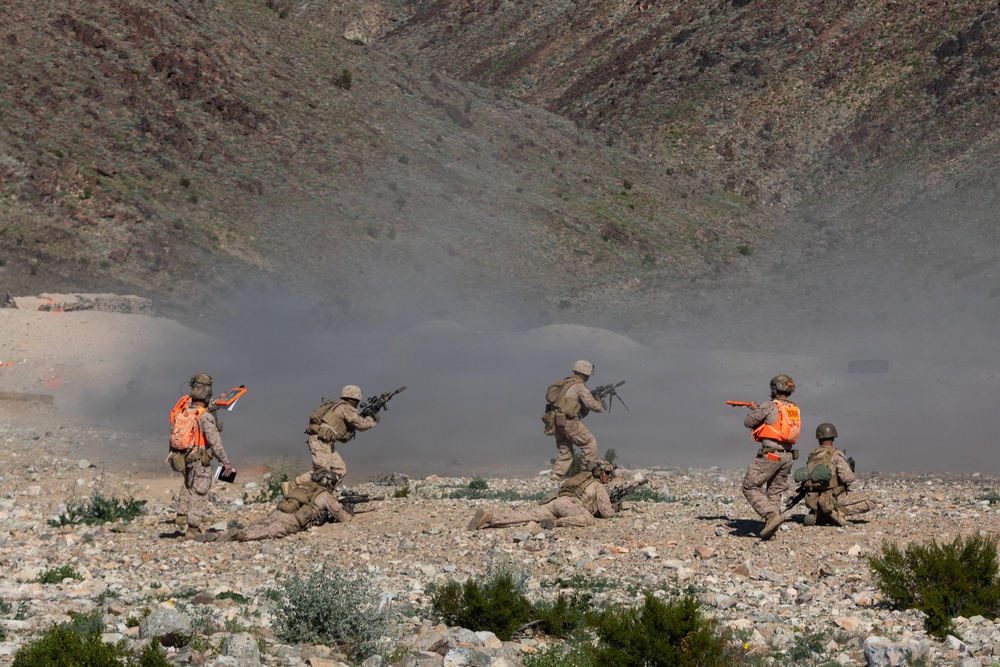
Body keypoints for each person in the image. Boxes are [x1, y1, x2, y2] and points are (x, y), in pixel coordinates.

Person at [168, 373, 234, 540]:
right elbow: (216, 443)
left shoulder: (184, 412)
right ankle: (192, 530)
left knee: (190, 488)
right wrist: (225, 463)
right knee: (200, 492)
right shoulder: (204, 417)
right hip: (199, 460)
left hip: (184, 458)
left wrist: (220, 400)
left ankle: (184, 518)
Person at [204, 470, 353, 542]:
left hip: (279, 512)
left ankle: (220, 536)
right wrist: (349, 512)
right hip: (292, 520)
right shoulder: (325, 495)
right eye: (333, 483)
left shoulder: (304, 486)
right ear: (327, 482)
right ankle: (242, 536)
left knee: (260, 524)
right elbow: (343, 517)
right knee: (269, 532)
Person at [468, 459, 617, 530]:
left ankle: (489, 517)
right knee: (588, 519)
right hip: (569, 506)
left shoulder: (582, 480)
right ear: (599, 472)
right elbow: (606, 512)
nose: (609, 476)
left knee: (526, 517)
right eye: (608, 473)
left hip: (556, 503)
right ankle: (557, 523)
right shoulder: (598, 486)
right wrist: (616, 509)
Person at [739, 374, 801, 540]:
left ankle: (770, 516)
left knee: (749, 486)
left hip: (771, 455)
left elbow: (749, 422)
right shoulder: (793, 408)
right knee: (774, 492)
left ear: (774, 388)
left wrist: (756, 409)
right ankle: (771, 530)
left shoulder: (769, 406)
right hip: (787, 457)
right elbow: (776, 422)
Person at [294, 385, 378, 487]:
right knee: (322, 473)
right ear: (355, 400)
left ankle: (326, 493)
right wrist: (373, 418)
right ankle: (293, 485)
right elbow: (361, 425)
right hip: (321, 441)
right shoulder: (345, 408)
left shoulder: (338, 406)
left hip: (326, 442)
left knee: (339, 469)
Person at [797, 423, 877, 526]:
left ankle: (821, 512)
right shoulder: (836, 454)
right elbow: (847, 478)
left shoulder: (812, 454)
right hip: (834, 497)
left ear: (818, 438)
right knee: (871, 501)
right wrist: (850, 469)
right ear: (833, 438)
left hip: (814, 497)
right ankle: (838, 512)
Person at [542, 360, 605, 481]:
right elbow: (592, 405)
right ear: (586, 373)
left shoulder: (566, 383)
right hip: (568, 422)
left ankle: (556, 474)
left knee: (565, 447)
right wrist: (600, 404)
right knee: (589, 443)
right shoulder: (579, 386)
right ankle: (586, 474)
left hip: (556, 421)